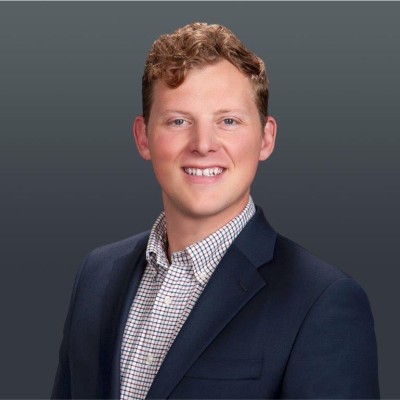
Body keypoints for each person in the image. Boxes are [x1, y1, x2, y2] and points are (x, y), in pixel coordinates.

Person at [51, 22, 379, 399]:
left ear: (266, 138)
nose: (203, 144)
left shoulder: (321, 301)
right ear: (143, 137)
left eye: (228, 121)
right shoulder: (96, 275)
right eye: (178, 121)